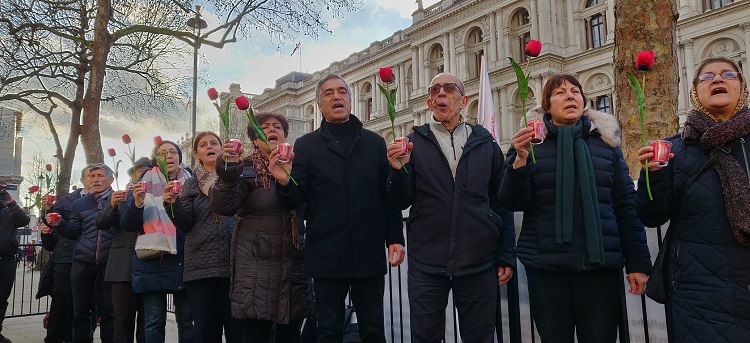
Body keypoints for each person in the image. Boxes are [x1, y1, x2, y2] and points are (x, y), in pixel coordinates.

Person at [500, 74, 651, 342]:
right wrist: (519, 163)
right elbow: (512, 202)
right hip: (547, 270)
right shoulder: (529, 146)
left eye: (575, 91)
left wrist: (638, 263)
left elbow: (626, 207)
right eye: (560, 92)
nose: (570, 96)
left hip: (600, 270)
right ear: (546, 106)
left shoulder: (607, 146)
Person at [268, 74, 405, 342]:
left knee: (373, 329)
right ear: (319, 105)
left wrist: (395, 238)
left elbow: (387, 197)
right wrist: (284, 181)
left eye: (342, 91)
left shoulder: (374, 143)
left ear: (350, 101)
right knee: (329, 330)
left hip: (367, 251)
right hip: (327, 254)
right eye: (328, 93)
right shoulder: (306, 146)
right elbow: (295, 199)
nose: (336, 96)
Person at [384, 72, 515, 342]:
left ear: (463, 99)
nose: (441, 93)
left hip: (478, 262)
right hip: (427, 264)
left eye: (449, 88)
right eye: (435, 90)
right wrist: (398, 171)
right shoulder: (412, 143)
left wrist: (505, 254)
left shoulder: (486, 143)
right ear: (430, 102)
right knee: (426, 337)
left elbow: (501, 202)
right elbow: (400, 201)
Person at [636, 57, 750, 342]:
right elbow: (652, 216)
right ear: (694, 93)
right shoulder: (674, 149)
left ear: (743, 88)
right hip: (698, 295)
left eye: (728, 74)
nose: (717, 80)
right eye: (707, 77)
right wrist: (652, 176)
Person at [212, 116, 311, 342]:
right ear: (255, 140)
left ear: (285, 136)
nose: (272, 130)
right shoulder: (244, 168)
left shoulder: (299, 168)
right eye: (264, 128)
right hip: (256, 264)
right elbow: (223, 206)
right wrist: (228, 172)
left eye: (278, 127)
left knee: (290, 332)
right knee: (257, 332)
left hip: (293, 261)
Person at [163, 132, 243, 343]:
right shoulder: (191, 184)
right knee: (206, 331)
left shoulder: (236, 177)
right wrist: (172, 204)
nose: (210, 146)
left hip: (237, 266)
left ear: (221, 148)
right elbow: (185, 223)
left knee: (238, 330)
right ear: (196, 153)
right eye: (204, 144)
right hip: (201, 267)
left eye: (214, 143)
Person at [121, 140, 194, 343]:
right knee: (153, 320)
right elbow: (128, 224)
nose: (168, 156)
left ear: (180, 157)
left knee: (187, 320)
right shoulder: (142, 182)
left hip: (185, 257)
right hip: (153, 258)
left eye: (173, 152)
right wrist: (136, 202)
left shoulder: (192, 181)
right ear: (156, 159)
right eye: (162, 153)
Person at [48, 163, 121, 343]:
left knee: (109, 312)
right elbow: (74, 231)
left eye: (100, 176)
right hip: (82, 262)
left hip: (109, 262)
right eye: (92, 176)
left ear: (111, 180)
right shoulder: (79, 204)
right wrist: (59, 225)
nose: (95, 179)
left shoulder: (120, 200)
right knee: (81, 311)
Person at [98, 157, 150, 343]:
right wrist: (112, 205)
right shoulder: (121, 197)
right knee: (121, 322)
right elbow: (101, 223)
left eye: (147, 171)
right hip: (122, 267)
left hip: (150, 265)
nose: (142, 175)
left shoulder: (158, 197)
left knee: (149, 323)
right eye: (138, 171)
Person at [0, 180, 31, 343]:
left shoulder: (10, 209)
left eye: (3, 189)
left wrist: (12, 203)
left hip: (7, 260)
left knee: (2, 298)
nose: (1, 192)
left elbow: (25, 221)